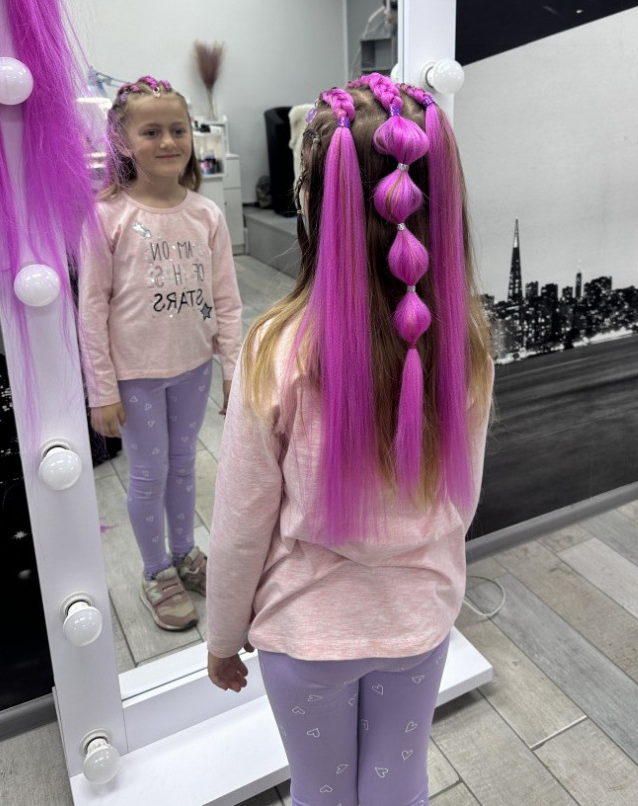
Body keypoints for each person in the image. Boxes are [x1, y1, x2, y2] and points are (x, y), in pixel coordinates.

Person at [206, 73, 493, 806]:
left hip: (307, 634)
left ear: (313, 201)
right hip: (418, 621)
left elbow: (241, 522)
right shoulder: (466, 344)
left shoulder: (276, 350)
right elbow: (460, 501)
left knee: (322, 794)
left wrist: (222, 635)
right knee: (399, 786)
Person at [79, 75, 242, 632]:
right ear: (122, 141)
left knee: (184, 466)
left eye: (178, 129)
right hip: (137, 376)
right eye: (151, 132)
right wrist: (101, 390)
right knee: (149, 473)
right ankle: (156, 571)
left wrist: (233, 368)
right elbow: (92, 309)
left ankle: (184, 552)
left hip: (193, 368)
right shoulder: (106, 215)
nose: (168, 141)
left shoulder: (206, 214)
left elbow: (226, 299)